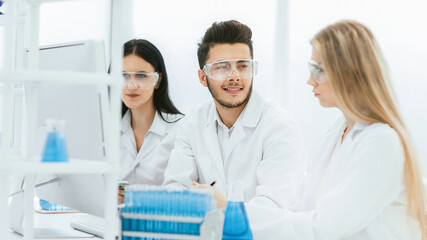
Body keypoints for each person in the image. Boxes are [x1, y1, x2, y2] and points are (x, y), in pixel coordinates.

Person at [246, 20, 426, 239]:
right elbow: (299, 206)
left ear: (348, 73)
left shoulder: (381, 143)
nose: (310, 81)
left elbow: (321, 229)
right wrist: (233, 210)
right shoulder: (336, 132)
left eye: (319, 70)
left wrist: (235, 215)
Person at [163, 20, 306, 209]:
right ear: (202, 77)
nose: (234, 76)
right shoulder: (191, 125)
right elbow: (174, 193)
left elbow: (273, 209)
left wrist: (222, 206)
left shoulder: (279, 127)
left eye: (243, 66)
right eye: (222, 67)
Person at [119, 39, 183, 188]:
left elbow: (181, 191)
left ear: (158, 80)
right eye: (124, 76)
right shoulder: (106, 131)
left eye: (141, 76)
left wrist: (130, 196)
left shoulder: (181, 129)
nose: (131, 86)